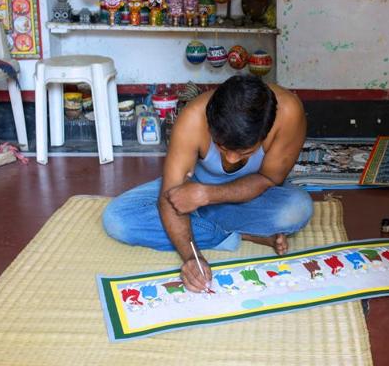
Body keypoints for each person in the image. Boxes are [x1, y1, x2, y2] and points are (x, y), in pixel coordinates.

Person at [102, 75, 313, 292]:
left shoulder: (288, 113)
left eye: (245, 152)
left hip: (245, 196)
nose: (231, 159)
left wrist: (207, 195)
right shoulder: (193, 118)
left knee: (296, 209)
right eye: (221, 147)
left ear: (267, 130)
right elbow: (171, 195)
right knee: (117, 219)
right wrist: (192, 257)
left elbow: (269, 179)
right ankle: (242, 233)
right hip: (191, 189)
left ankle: (204, 225)